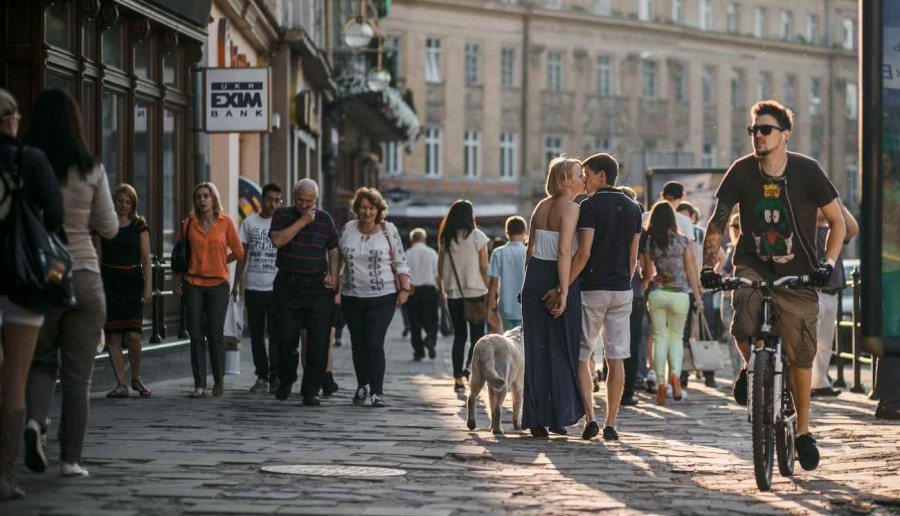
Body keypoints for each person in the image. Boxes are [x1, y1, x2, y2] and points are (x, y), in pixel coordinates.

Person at [701, 100, 846, 472]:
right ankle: (753, 369)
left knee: (799, 353)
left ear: (784, 134)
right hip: (752, 263)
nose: (758, 137)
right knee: (744, 318)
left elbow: (837, 222)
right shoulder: (741, 171)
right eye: (753, 130)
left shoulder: (808, 171)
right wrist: (708, 267)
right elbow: (717, 222)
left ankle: (802, 432)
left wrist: (826, 264)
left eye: (765, 130)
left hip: (799, 271)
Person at [24, 89, 118, 478]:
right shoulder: (92, 168)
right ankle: (71, 460)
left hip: (42, 276)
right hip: (84, 275)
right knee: (79, 376)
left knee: (41, 362)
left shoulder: (26, 165)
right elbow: (111, 227)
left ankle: (33, 424)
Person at [546, 153, 642, 441]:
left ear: (602, 176)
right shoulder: (634, 207)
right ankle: (612, 423)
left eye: (587, 174)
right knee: (616, 358)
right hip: (621, 290)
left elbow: (584, 252)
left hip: (592, 289)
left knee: (583, 355)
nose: (584, 180)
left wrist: (565, 285)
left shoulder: (588, 206)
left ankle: (591, 417)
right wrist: (624, 279)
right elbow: (633, 256)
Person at [0, 89, 63, 499]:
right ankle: (4, 476)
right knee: (15, 378)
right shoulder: (31, 160)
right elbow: (55, 217)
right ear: (9, 120)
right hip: (21, 280)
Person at [521, 158, 586, 437]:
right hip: (554, 274)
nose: (583, 179)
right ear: (565, 180)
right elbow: (563, 253)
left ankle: (536, 418)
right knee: (561, 348)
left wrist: (526, 284)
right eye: (579, 175)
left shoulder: (540, 206)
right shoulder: (571, 208)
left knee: (536, 350)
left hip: (534, 275)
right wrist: (564, 289)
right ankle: (559, 416)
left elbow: (530, 249)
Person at [268, 178, 339, 406]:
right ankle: (287, 379)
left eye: (309, 201)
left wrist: (334, 275)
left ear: (315, 200)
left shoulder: (326, 219)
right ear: (293, 197)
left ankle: (311, 389)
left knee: (318, 340)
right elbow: (277, 241)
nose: (305, 205)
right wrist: (302, 221)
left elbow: (334, 248)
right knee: (286, 337)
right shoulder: (282, 215)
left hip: (317, 287)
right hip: (288, 284)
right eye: (301, 200)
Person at [338, 187, 411, 407]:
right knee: (357, 343)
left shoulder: (388, 230)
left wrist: (405, 289)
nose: (367, 212)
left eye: (371, 208)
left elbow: (400, 259)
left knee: (374, 342)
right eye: (363, 208)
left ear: (378, 210)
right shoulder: (348, 229)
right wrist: (334, 284)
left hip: (383, 296)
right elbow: (337, 257)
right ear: (356, 209)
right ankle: (362, 386)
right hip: (352, 295)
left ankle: (377, 392)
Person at [173, 182, 243, 398]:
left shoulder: (226, 222)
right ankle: (200, 384)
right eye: (199, 197)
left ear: (214, 199)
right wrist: (177, 281)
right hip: (193, 283)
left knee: (215, 335)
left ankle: (219, 379)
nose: (202, 200)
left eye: (206, 196)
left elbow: (239, 252)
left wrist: (222, 260)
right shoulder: (188, 224)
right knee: (195, 335)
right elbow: (179, 256)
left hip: (218, 285)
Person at [641, 202, 704, 405]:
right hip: (680, 295)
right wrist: (698, 296)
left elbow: (649, 273)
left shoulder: (650, 242)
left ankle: (661, 384)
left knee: (660, 338)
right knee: (676, 338)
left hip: (658, 294)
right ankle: (675, 376)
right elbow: (691, 271)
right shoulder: (683, 241)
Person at [99, 184, 152, 398]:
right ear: (114, 202)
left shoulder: (139, 226)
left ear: (133, 205)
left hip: (132, 281)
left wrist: (148, 287)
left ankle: (136, 378)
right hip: (109, 281)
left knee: (133, 335)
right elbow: (95, 252)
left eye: (127, 202)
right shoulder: (105, 225)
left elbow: (147, 260)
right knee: (113, 335)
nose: (123, 205)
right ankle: (120, 384)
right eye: (120, 201)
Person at [233, 183, 283, 395]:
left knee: (276, 334)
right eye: (269, 199)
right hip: (254, 287)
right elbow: (241, 256)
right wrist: (236, 285)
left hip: (277, 288)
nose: (272, 204)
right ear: (263, 199)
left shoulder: (283, 223)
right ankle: (261, 376)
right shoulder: (249, 223)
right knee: (256, 335)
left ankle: (275, 377)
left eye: (277, 200)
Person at [438, 200, 490, 393]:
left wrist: (444, 289)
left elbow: (440, 270)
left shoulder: (446, 239)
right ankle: (469, 367)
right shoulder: (478, 237)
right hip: (475, 292)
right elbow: (484, 267)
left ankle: (458, 379)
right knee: (478, 336)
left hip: (453, 294)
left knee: (459, 337)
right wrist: (490, 288)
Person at [811, 202, 858, 397]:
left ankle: (820, 382)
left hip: (833, 292)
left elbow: (853, 229)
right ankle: (808, 383)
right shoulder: (808, 231)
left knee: (826, 343)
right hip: (815, 292)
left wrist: (838, 204)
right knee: (811, 341)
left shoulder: (835, 230)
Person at [676, 201, 717, 388]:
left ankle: (705, 375)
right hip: (688, 288)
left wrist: (705, 277)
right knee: (688, 333)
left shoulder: (697, 234)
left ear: (693, 216)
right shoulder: (685, 235)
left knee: (703, 332)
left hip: (696, 288)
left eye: (687, 216)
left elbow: (720, 256)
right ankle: (686, 375)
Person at [619, 186, 645, 407]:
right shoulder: (638, 229)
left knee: (613, 343)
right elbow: (643, 265)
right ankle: (627, 392)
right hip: (634, 292)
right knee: (632, 343)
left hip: (613, 288)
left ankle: (614, 388)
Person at [487, 216, 528, 332]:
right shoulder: (528, 252)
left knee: (509, 341)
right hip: (525, 305)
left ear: (506, 233)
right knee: (523, 342)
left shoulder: (498, 253)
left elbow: (493, 284)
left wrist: (489, 309)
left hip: (505, 306)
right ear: (524, 232)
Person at [406, 228, 440, 360]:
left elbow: (403, 275)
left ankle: (418, 352)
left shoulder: (407, 253)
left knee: (415, 323)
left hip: (412, 291)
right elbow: (437, 275)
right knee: (432, 320)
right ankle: (430, 339)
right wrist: (441, 291)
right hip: (429, 290)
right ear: (424, 239)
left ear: (411, 240)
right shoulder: (431, 253)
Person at [718, 213, 745, 379]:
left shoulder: (744, 248)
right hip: (728, 298)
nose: (736, 230)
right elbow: (724, 271)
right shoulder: (730, 247)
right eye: (733, 226)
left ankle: (744, 374)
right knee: (731, 337)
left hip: (742, 297)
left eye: (739, 226)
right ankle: (737, 376)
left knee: (740, 337)